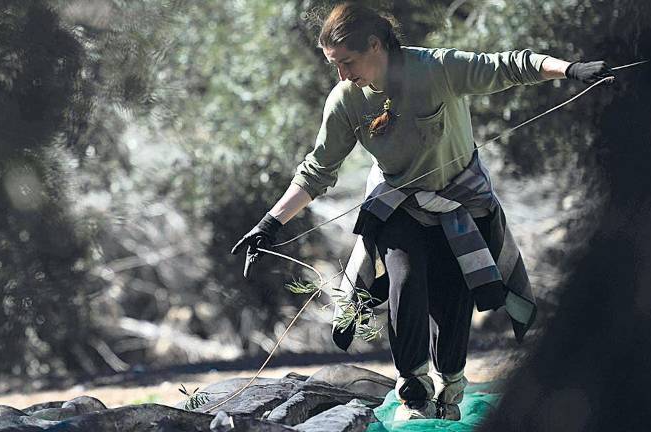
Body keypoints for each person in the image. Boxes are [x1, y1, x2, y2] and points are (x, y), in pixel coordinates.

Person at [231, 2, 613, 421]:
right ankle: (413, 394)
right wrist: (269, 225)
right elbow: (317, 172)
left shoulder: (436, 68)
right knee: (406, 281)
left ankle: (448, 393)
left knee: (452, 299)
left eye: (348, 62)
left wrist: (570, 70)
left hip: (460, 202)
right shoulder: (345, 100)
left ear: (375, 45)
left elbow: (508, 65)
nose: (342, 75)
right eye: (334, 66)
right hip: (399, 203)